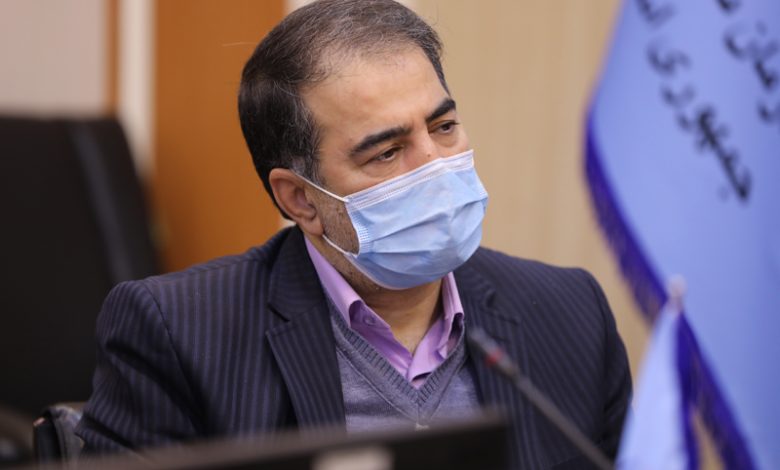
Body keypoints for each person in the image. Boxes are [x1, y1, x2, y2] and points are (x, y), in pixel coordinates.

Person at [76, 1, 631, 468]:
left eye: (443, 127)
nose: (435, 166)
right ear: (300, 200)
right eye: (386, 152)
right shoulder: (178, 333)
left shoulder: (570, 313)